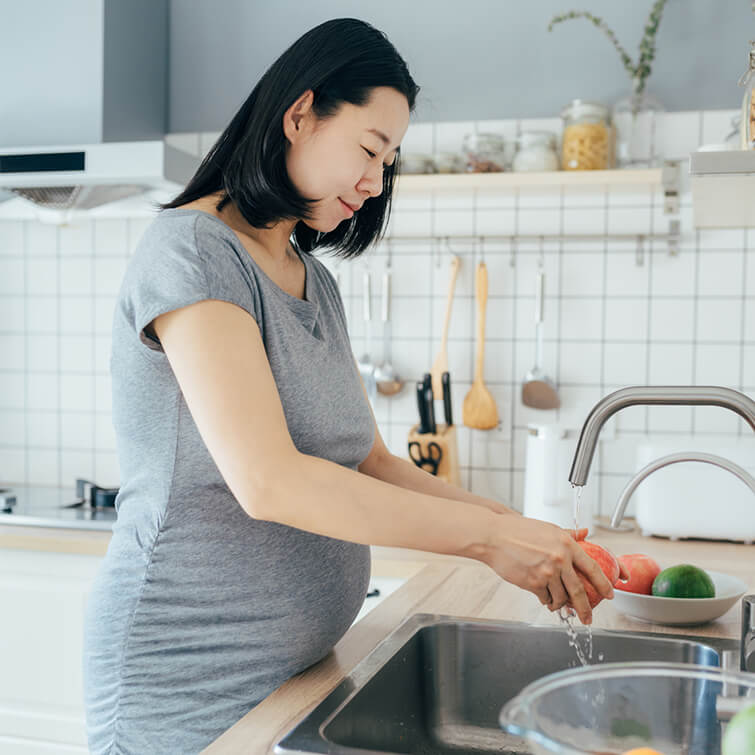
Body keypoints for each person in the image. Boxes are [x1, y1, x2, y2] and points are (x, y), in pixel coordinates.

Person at [82, 17, 623, 754]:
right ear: (299, 115)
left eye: (389, 160)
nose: (375, 182)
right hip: (185, 679)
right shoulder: (192, 254)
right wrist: (491, 539)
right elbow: (268, 482)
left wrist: (522, 529)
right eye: (369, 149)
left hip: (297, 672)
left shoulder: (316, 281)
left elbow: (369, 461)